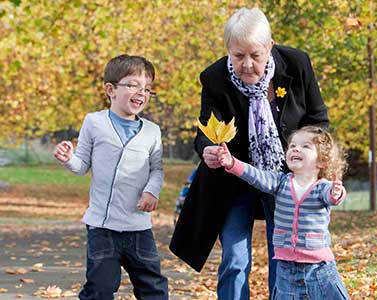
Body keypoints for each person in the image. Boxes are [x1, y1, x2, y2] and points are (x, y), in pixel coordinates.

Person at [169, 7, 329, 300]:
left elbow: (318, 119)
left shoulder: (297, 64)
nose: (247, 65)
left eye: (255, 55)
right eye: (238, 55)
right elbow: (206, 129)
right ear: (228, 50)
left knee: (282, 254)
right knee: (235, 256)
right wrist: (207, 150)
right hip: (234, 178)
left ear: (270, 46)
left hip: (284, 180)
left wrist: (307, 156)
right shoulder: (215, 77)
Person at [53, 54, 169, 300]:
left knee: (154, 289)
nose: (142, 93)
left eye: (147, 88)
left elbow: (157, 169)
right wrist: (68, 159)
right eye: (133, 85)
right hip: (103, 228)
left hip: (139, 228)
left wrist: (152, 191)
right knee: (100, 289)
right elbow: (82, 165)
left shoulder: (152, 132)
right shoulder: (94, 123)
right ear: (111, 89)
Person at [217, 126, 350, 300]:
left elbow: (333, 197)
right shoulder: (280, 182)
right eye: (293, 145)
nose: (296, 148)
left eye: (305, 146)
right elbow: (256, 175)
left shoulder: (322, 187)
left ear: (322, 161)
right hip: (286, 270)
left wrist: (337, 193)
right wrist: (233, 163)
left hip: (319, 269)